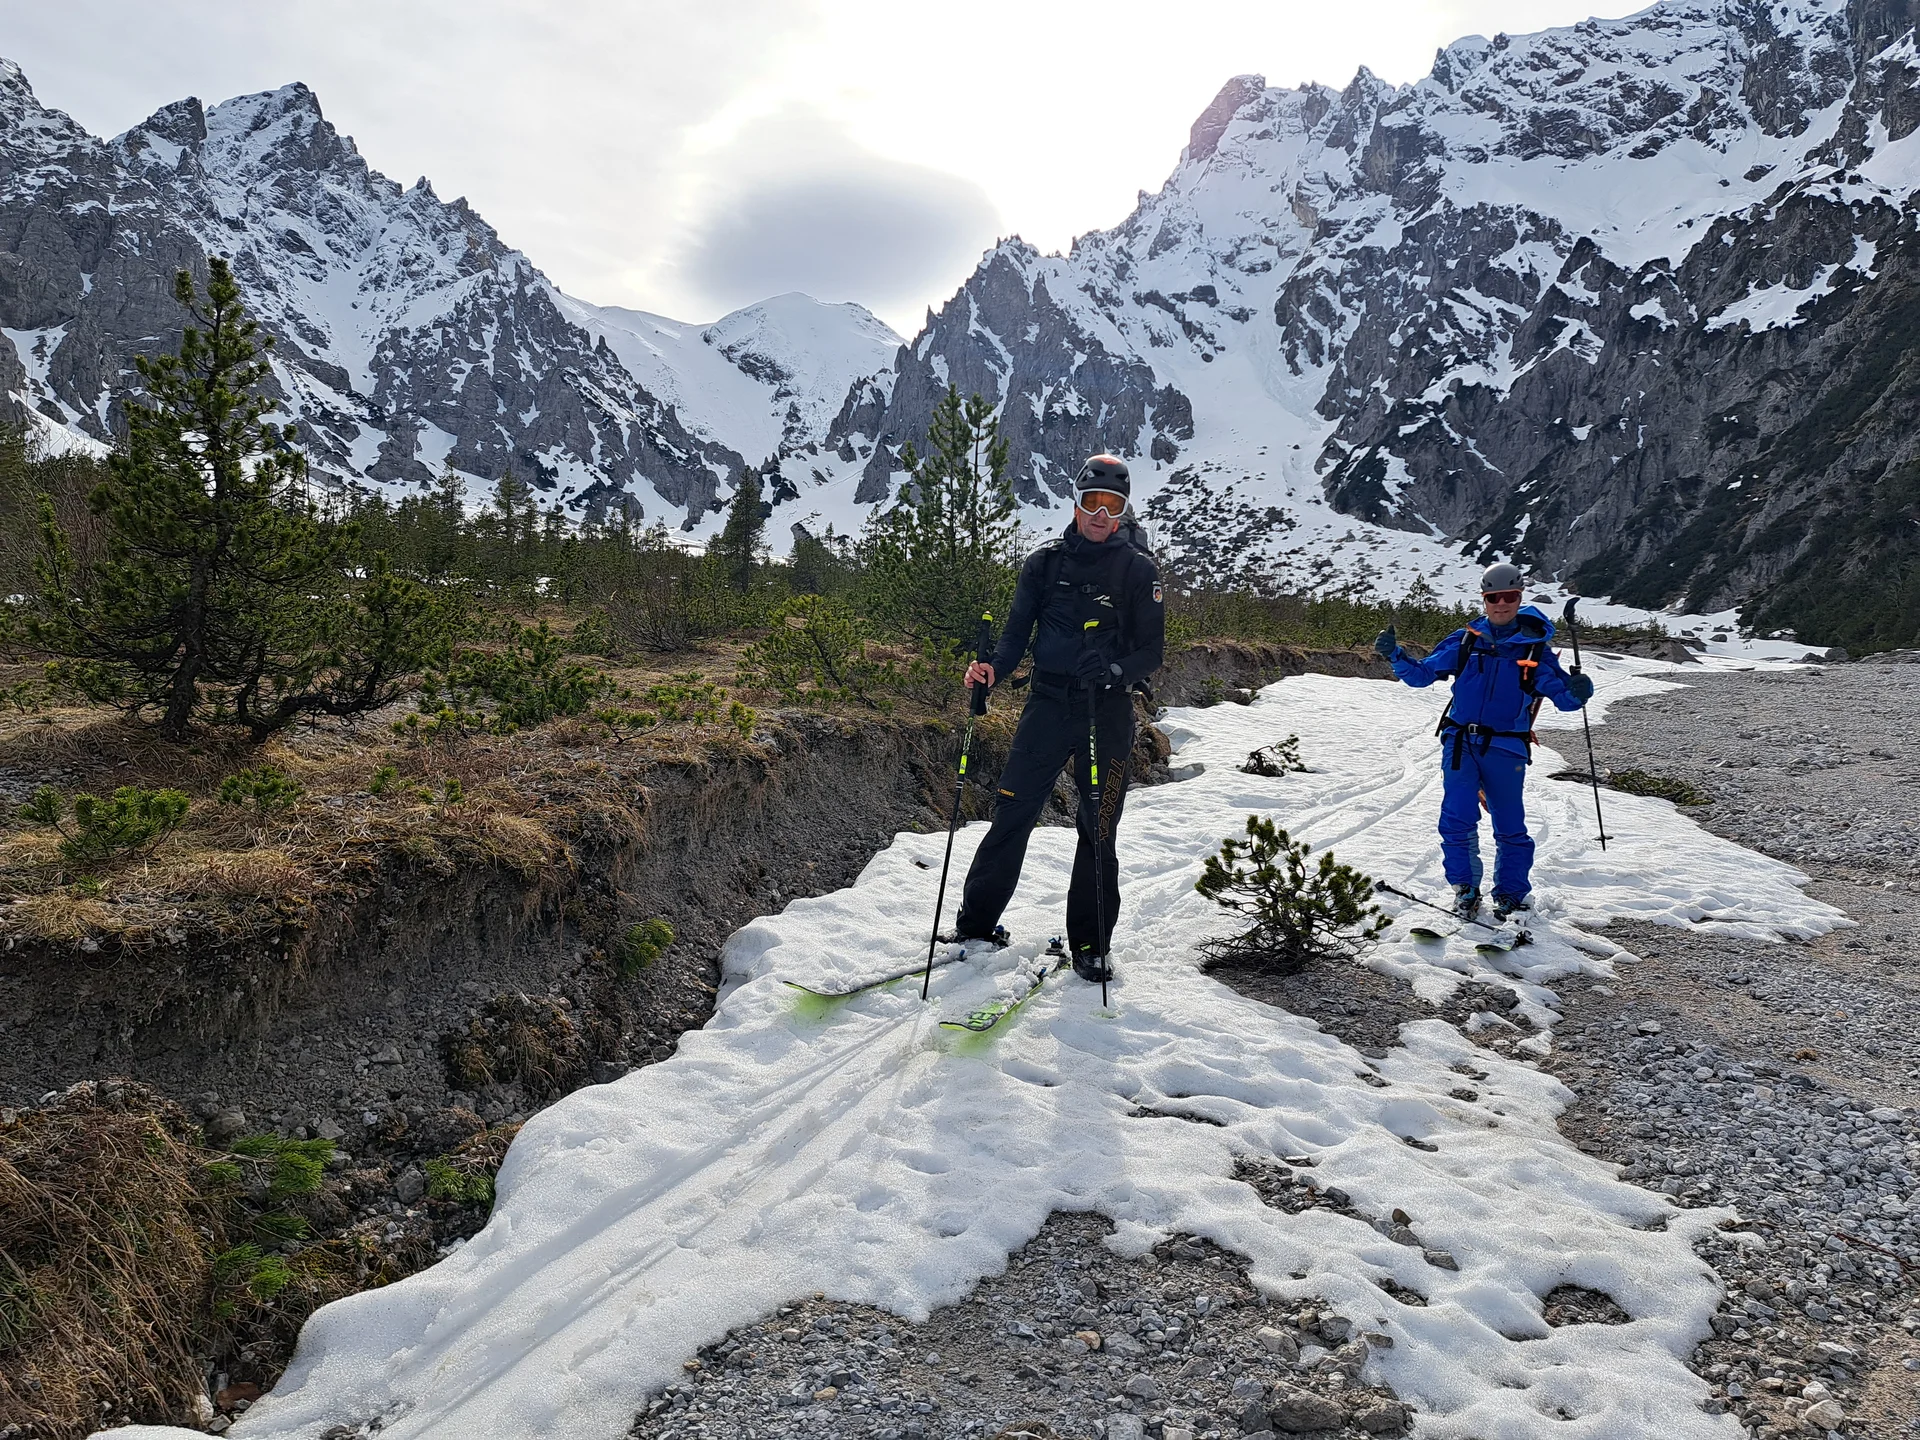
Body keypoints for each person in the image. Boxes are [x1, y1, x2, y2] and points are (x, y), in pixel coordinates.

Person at [949, 455, 1165, 981]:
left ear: (1122, 512)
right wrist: (991, 670)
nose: (1100, 514)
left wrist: (1114, 669)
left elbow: (1151, 651)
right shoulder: (1043, 564)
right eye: (1093, 502)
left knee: (1098, 829)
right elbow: (1015, 634)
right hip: (1046, 705)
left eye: (1111, 506)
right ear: (1076, 502)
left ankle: (1091, 946)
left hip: (1106, 712)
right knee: (1011, 815)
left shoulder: (1138, 569)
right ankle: (975, 926)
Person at [1373, 563, 1595, 921]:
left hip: (1506, 748)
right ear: (1485, 598)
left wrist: (1580, 692)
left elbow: (1565, 701)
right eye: (1494, 597)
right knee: (1456, 817)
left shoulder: (1536, 652)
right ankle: (1465, 890)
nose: (1502, 604)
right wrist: (1396, 656)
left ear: (1519, 597)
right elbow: (1422, 675)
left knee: (1509, 825)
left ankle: (1510, 895)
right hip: (1460, 742)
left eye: (1510, 596)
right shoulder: (1466, 640)